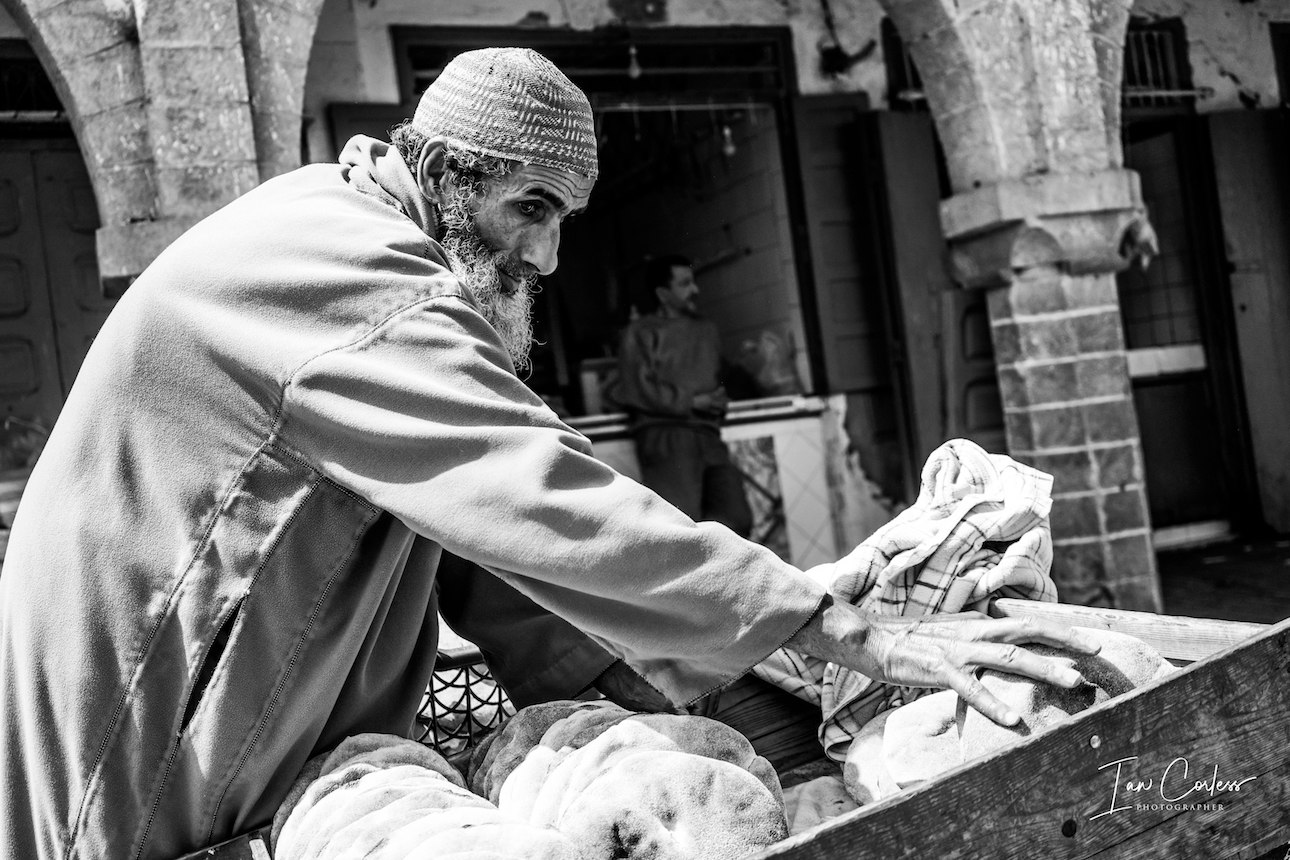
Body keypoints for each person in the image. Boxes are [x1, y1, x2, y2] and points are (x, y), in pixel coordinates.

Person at [0, 47, 1098, 860]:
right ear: (442, 170)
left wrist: (730, 703)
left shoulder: (364, 244)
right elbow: (544, 498)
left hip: (228, 738)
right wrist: (852, 633)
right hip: (146, 748)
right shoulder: (350, 273)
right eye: (530, 206)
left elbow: (495, 568)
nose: (549, 253)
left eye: (564, 215)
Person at [615, 255, 754, 536]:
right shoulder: (639, 333)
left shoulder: (706, 329)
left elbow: (715, 376)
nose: (695, 290)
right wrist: (690, 402)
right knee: (681, 527)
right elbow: (636, 389)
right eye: (685, 284)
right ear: (663, 294)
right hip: (666, 437)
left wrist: (718, 398)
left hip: (708, 434)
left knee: (736, 519)